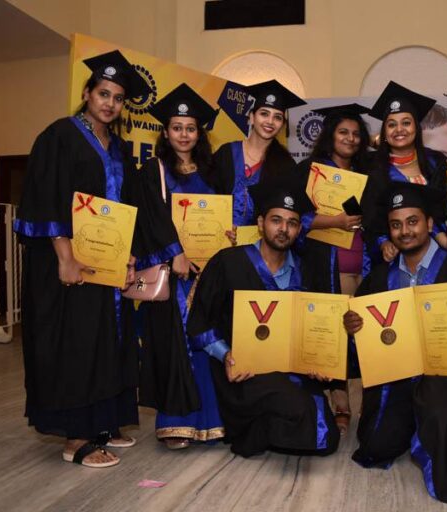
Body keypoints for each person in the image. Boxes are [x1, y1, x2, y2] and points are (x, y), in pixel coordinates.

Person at [13, 50, 150, 468]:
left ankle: (103, 423)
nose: (110, 103)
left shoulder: (119, 148)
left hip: (104, 263)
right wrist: (65, 255)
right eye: (103, 93)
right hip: (68, 260)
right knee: (75, 343)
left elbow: (123, 207)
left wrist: (127, 254)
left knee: (105, 341)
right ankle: (76, 438)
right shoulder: (59, 135)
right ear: (88, 93)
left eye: (118, 98)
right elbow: (46, 196)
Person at [343, 181, 447, 505]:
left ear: (429, 223)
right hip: (396, 378)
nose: (405, 231)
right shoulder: (380, 277)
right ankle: (413, 425)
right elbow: (363, 351)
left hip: (446, 380)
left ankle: (437, 427)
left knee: (444, 433)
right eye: (396, 225)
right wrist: (353, 332)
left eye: (412, 221)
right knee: (376, 446)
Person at [186, 182, 340, 457]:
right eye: (276, 220)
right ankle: (251, 430)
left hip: (293, 372)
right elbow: (199, 321)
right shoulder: (228, 262)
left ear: (299, 230)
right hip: (245, 372)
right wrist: (227, 356)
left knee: (326, 437)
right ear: (260, 223)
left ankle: (255, 432)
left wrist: (319, 361)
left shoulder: (305, 271)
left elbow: (313, 331)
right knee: (299, 410)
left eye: (292, 223)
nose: (284, 229)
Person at [131, 83, 224, 449]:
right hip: (176, 273)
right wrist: (176, 253)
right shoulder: (154, 170)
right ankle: (176, 424)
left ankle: (213, 421)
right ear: (166, 132)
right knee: (177, 343)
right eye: (176, 127)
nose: (184, 134)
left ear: (199, 133)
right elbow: (151, 218)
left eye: (190, 128)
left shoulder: (212, 172)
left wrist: (228, 235)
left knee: (209, 339)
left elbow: (222, 213)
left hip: (209, 270)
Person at [292, 103, 372, 434]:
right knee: (334, 332)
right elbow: (295, 219)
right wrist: (335, 221)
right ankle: (340, 399)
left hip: (364, 264)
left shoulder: (368, 173)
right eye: (343, 132)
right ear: (330, 135)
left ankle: (369, 400)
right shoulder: (310, 172)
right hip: (325, 265)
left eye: (355, 133)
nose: (350, 138)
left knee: (363, 332)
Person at [362, 81, 447, 266]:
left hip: (434, 253)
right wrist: (383, 243)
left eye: (406, 123)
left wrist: (445, 241)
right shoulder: (372, 167)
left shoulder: (435, 162)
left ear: (416, 128)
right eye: (391, 125)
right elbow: (370, 219)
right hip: (391, 256)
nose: (399, 129)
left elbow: (438, 211)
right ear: (384, 132)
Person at [210, 79, 304, 243]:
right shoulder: (226, 153)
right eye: (264, 114)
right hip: (218, 239)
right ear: (251, 117)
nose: (270, 122)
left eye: (277, 117)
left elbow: (285, 213)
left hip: (259, 247)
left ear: (282, 125)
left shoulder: (285, 165)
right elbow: (208, 195)